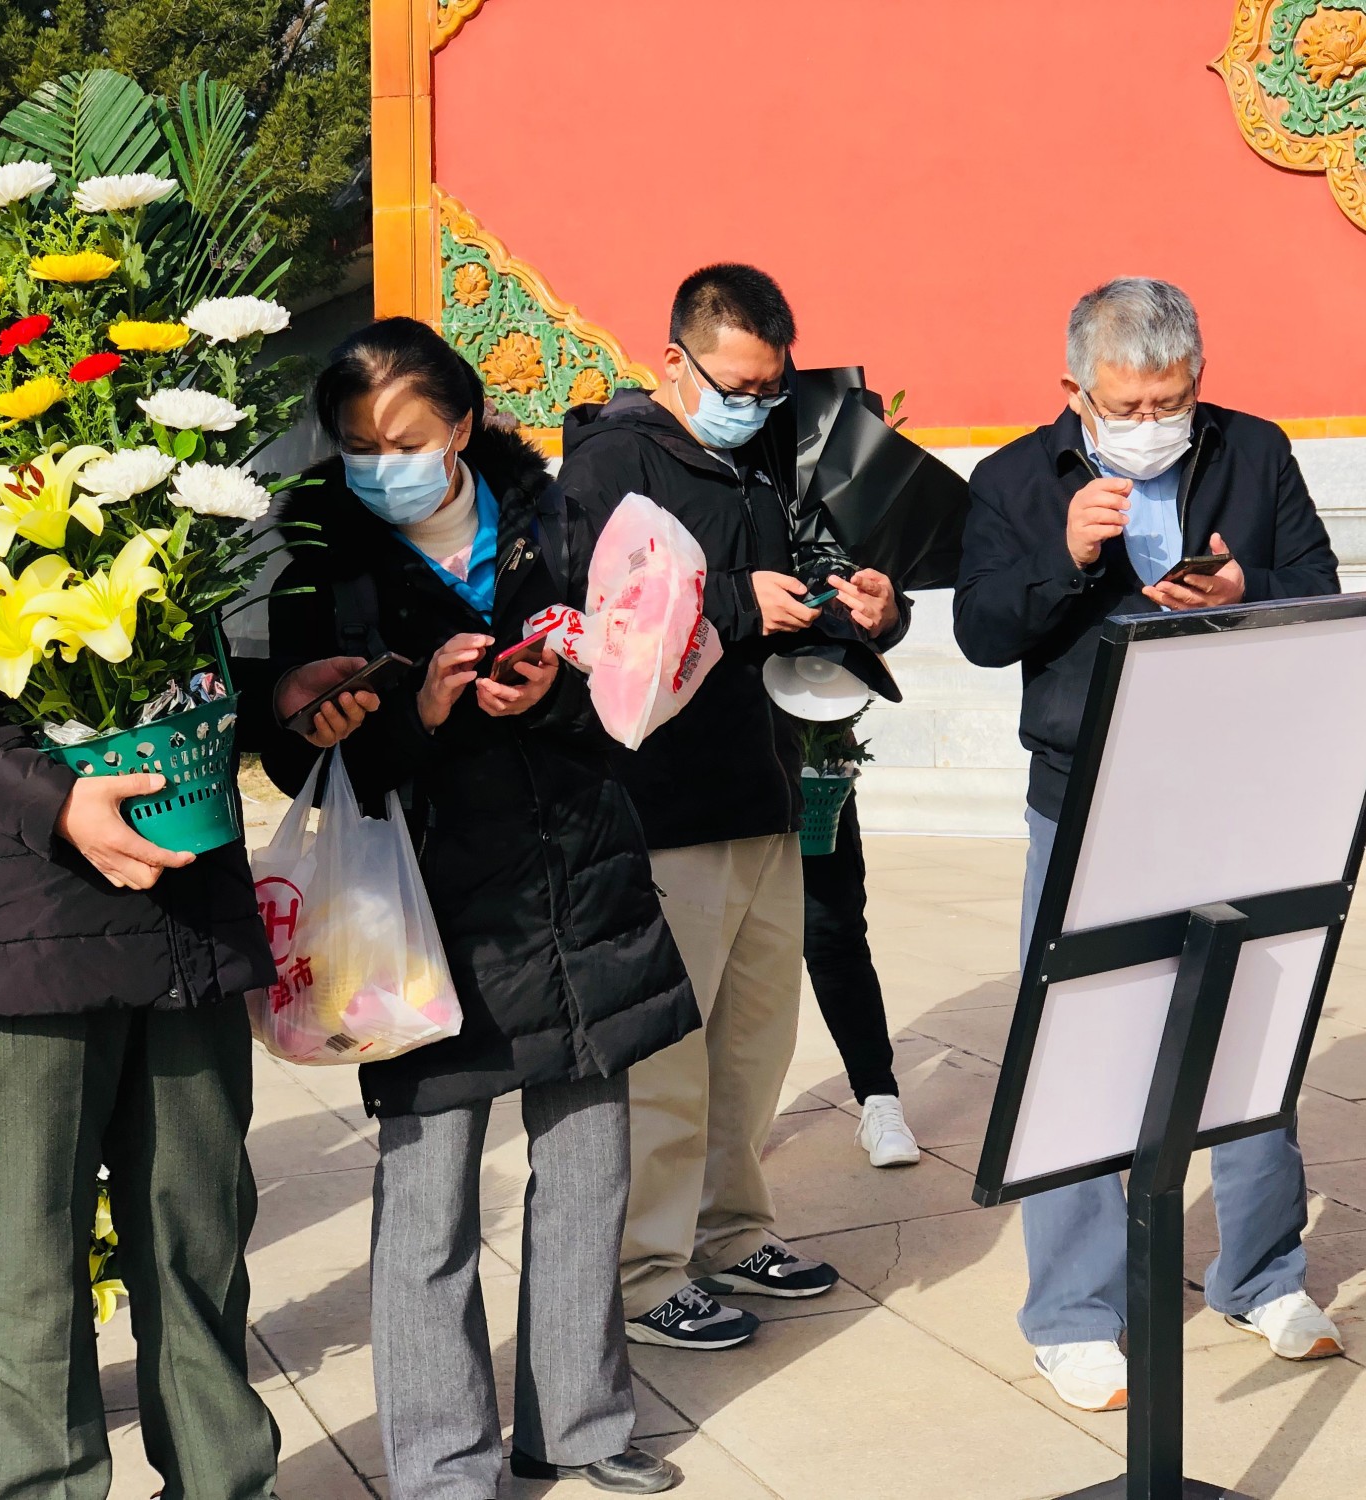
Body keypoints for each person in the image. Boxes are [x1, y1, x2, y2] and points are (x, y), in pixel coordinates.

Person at [262, 318, 698, 1497]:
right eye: (357, 444)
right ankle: (443, 1463)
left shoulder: (558, 520)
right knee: (427, 1201)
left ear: (461, 427)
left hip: (575, 886)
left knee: (587, 1171)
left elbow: (625, 698)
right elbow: (288, 738)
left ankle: (582, 1426)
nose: (379, 463)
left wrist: (543, 696)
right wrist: (417, 715)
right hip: (425, 916)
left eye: (404, 439)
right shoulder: (320, 550)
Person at [0, 447, 282, 1495]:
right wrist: (52, 802)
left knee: (198, 1243)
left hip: (184, 909)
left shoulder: (147, 401)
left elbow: (185, 644)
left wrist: (271, 698)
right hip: (21, 917)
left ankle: (224, 1484)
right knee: (26, 1265)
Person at [952, 277, 1344, 1413]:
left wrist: (1242, 585)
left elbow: (1313, 590)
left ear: (1198, 384)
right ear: (1073, 389)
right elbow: (981, 632)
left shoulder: (1252, 455)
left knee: (1249, 1030)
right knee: (1080, 1044)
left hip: (1234, 788)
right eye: (1124, 402)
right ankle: (1074, 1312)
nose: (1149, 418)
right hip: (1082, 796)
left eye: (1169, 397)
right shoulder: (1017, 480)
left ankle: (1260, 1274)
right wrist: (1062, 564)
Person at [558, 264, 908, 1349]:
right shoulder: (611, 460)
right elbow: (584, 609)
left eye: (770, 387)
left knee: (754, 1040)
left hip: (766, 781)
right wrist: (728, 600)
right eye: (736, 384)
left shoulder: (766, 460)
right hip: (661, 803)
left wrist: (865, 608)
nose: (754, 404)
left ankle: (730, 1231)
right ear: (675, 357)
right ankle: (643, 1270)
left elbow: (799, 594)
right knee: (669, 1056)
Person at [801, 788, 919, 1167]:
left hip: (805, 761)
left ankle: (879, 1097)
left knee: (832, 934)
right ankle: (725, 1130)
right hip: (692, 785)